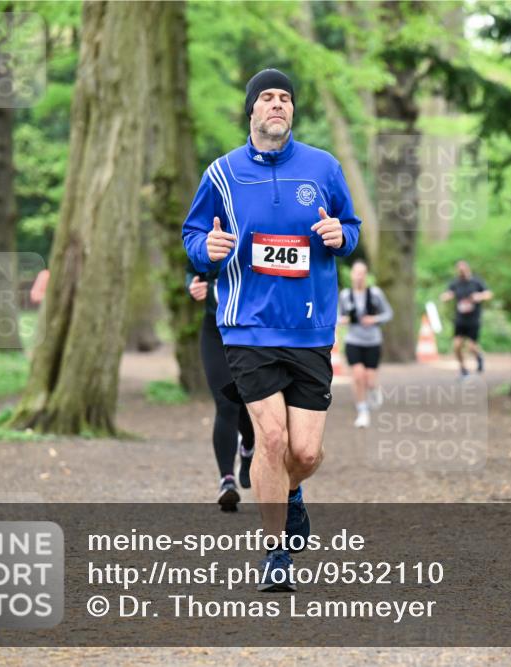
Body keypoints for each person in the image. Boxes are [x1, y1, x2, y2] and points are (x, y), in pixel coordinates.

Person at [182, 68, 360, 591]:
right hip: (247, 326)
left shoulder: (323, 167)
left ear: (292, 111)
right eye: (267, 98)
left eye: (285, 97)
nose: (277, 104)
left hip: (310, 327)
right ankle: (277, 551)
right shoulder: (221, 173)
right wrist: (205, 250)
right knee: (272, 438)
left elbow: (351, 230)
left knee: (303, 454)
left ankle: (291, 494)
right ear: (252, 111)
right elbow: (194, 234)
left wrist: (339, 234)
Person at [186, 263, 255, 512]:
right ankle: (227, 481)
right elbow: (191, 270)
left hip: (250, 331)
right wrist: (192, 286)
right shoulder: (212, 230)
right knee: (226, 402)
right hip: (214, 329)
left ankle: (248, 446)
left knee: (249, 400)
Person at [338, 260, 393, 428]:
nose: (359, 277)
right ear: (352, 275)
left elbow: (388, 313)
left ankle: (375, 389)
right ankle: (362, 411)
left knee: (369, 379)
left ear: (367, 275)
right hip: (353, 341)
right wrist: (343, 320)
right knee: (357, 376)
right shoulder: (345, 295)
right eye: (356, 273)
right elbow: (337, 316)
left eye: (362, 273)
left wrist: (374, 319)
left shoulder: (375, 293)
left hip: (373, 341)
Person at [440, 260, 492, 377]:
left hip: (473, 319)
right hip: (460, 319)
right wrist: (446, 297)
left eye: (463, 269)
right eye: (459, 270)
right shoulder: (455, 283)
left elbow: (488, 293)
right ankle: (463, 369)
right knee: (456, 346)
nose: (461, 272)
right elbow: (447, 294)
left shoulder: (476, 282)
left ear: (468, 269)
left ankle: (479, 358)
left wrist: (480, 296)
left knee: (471, 346)